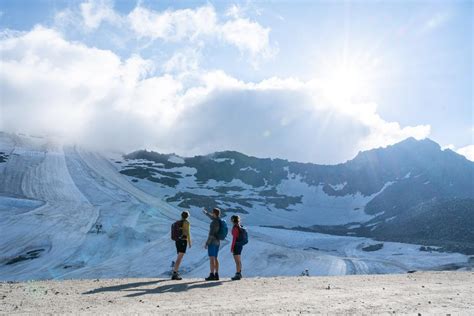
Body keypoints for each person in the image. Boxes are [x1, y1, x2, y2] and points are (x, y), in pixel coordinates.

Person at [172, 211, 192, 280]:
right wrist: (189, 242)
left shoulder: (178, 222)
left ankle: (175, 272)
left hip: (177, 241)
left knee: (179, 257)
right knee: (179, 258)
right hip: (183, 241)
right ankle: (175, 273)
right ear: (187, 216)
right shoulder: (186, 222)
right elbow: (188, 233)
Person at [203, 207, 221, 281]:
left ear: (214, 213)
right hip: (218, 242)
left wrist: (207, 243)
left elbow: (211, 234)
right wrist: (206, 213)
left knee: (211, 258)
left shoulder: (214, 222)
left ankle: (211, 274)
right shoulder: (218, 220)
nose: (211, 214)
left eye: (212, 213)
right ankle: (216, 274)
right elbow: (211, 217)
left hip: (212, 242)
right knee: (216, 258)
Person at [230, 215, 244, 280]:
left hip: (236, 245)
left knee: (237, 261)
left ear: (233, 220)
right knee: (239, 260)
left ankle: (238, 274)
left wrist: (232, 247)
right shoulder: (239, 227)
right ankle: (239, 273)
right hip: (240, 245)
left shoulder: (235, 228)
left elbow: (234, 239)